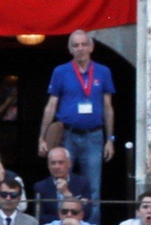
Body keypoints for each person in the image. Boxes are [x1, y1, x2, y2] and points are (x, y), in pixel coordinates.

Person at [37, 30, 114, 193]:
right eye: (76, 45)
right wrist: (42, 137)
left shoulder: (103, 71)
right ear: (70, 49)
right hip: (67, 135)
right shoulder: (60, 71)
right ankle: (63, 218)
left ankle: (91, 220)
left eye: (84, 44)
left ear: (91, 47)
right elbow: (51, 105)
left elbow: (108, 107)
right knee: (61, 182)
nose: (80, 48)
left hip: (94, 137)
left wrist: (110, 139)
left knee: (93, 187)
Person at [30, 145, 94, 225]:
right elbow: (39, 217)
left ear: (69, 164)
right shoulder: (40, 187)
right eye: (53, 163)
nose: (57, 166)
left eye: (61, 162)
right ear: (48, 166)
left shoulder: (82, 183)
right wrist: (65, 219)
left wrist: (66, 193)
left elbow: (87, 213)